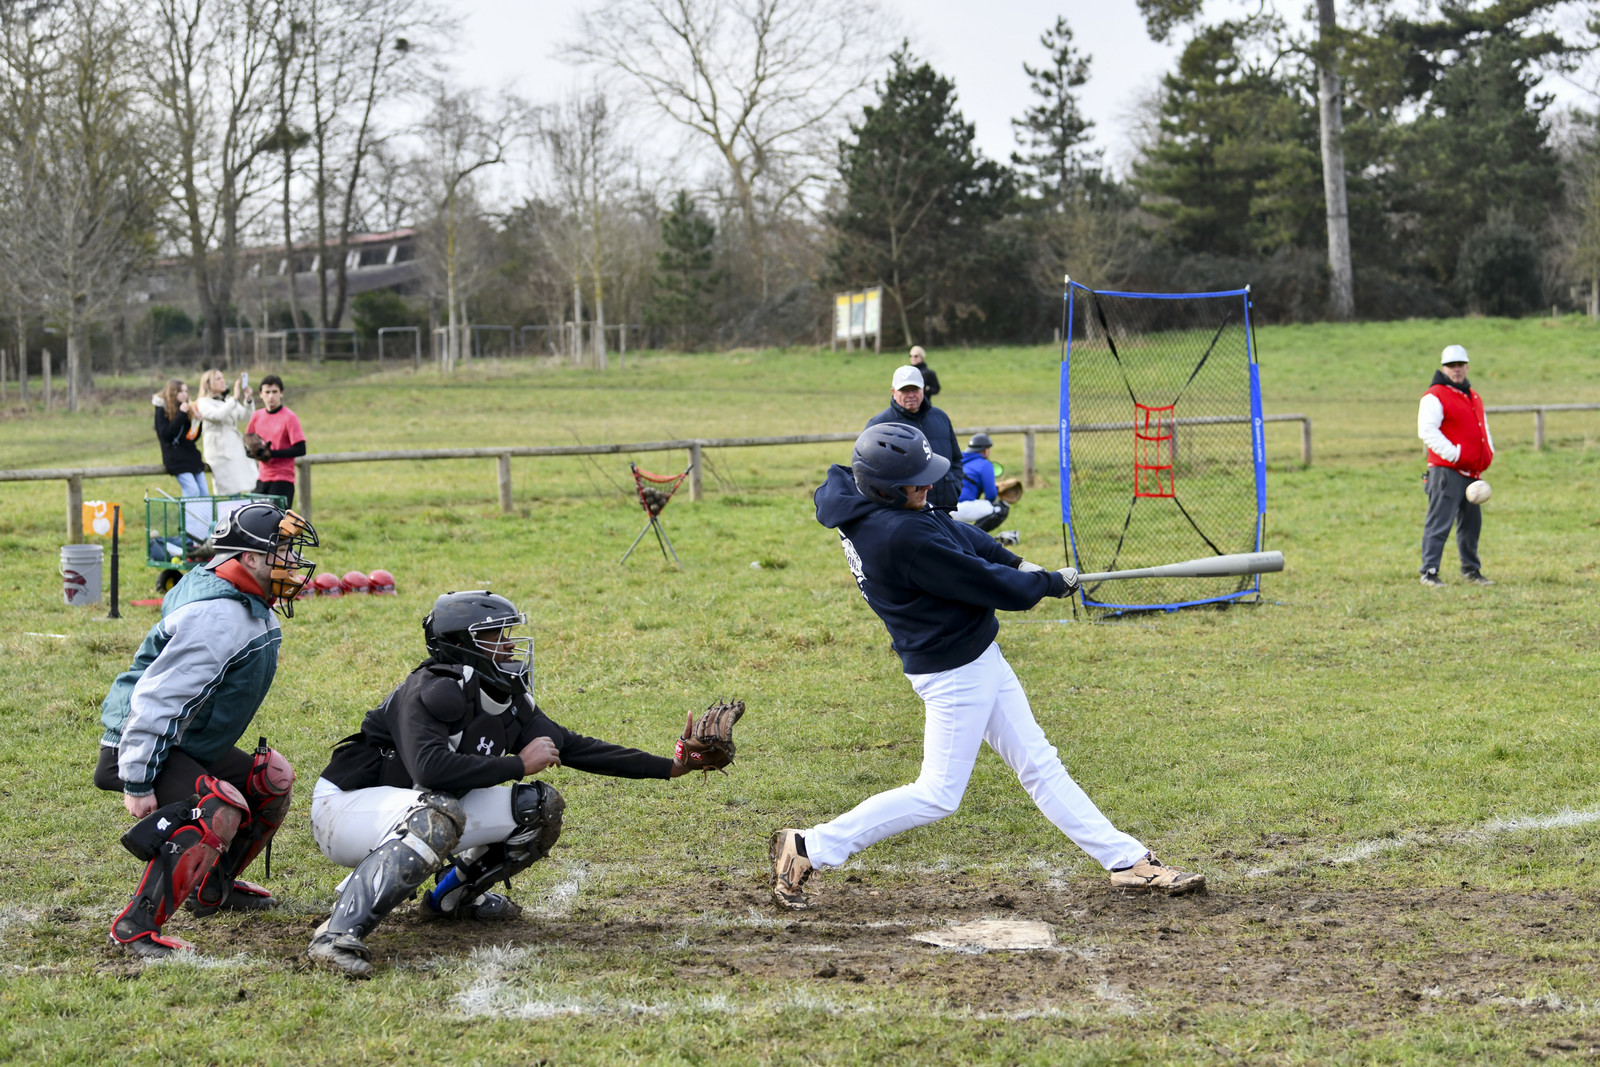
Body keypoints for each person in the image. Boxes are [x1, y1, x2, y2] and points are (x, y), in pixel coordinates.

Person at [769, 423, 1204, 910]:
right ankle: (809, 846)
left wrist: (1016, 562)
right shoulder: (897, 536)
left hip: (974, 654)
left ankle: (1126, 861)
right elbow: (985, 583)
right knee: (938, 794)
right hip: (953, 670)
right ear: (887, 489)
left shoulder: (868, 497)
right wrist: (1042, 584)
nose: (927, 486)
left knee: (1040, 763)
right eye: (916, 481)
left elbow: (954, 530)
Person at [306, 590, 704, 978]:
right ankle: (336, 934)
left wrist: (672, 766)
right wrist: (516, 764)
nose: (510, 645)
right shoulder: (429, 689)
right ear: (461, 643)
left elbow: (576, 748)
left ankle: (451, 899)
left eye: (508, 634)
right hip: (344, 809)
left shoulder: (505, 698)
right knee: (439, 813)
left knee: (538, 806)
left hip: (418, 809)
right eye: (495, 636)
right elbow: (431, 770)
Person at [95, 501, 319, 958]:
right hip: (142, 743)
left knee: (270, 780)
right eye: (282, 551)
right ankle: (135, 927)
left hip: (182, 740)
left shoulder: (244, 595)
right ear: (250, 559)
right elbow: (157, 701)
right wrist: (136, 777)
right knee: (221, 807)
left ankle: (212, 888)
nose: (293, 562)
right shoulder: (216, 616)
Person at [1418, 344, 1495, 587]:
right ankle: (1429, 572)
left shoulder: (1472, 395)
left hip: (1472, 472)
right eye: (1452, 365)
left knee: (1471, 526)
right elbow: (1427, 431)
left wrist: (1488, 453)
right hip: (1446, 471)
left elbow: (1482, 428)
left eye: (1460, 364)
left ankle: (1471, 571)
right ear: (1444, 368)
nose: (1457, 369)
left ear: (1467, 366)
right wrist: (1454, 454)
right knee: (1439, 522)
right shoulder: (1435, 395)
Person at [865, 365, 964, 510]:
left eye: (915, 389)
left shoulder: (940, 417)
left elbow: (956, 459)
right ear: (893, 392)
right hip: (905, 512)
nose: (911, 394)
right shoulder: (880, 425)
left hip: (944, 509)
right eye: (905, 390)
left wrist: (954, 487)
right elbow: (869, 473)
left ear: (923, 389)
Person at [245, 375, 306, 510]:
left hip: (283, 478)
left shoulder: (289, 417)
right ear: (261, 394)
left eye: (274, 392)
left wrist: (272, 453)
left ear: (281, 393)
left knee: (277, 523)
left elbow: (301, 449)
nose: (271, 396)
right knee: (254, 517)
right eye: (267, 392)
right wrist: (256, 453)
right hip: (262, 477)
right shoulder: (257, 416)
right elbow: (248, 445)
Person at [195, 368, 257, 496]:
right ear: (207, 384)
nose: (223, 381)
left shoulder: (227, 400)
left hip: (235, 447)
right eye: (218, 379)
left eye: (223, 378)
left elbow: (246, 416)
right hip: (219, 449)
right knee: (229, 488)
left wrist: (248, 399)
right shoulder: (203, 402)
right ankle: (230, 514)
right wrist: (234, 399)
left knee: (246, 484)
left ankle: (243, 513)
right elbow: (217, 415)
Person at [153, 378, 207, 498]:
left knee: (204, 493)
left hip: (191, 457)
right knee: (193, 491)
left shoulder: (188, 408)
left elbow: (191, 437)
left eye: (186, 391)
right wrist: (181, 414)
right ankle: (189, 517)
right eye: (180, 392)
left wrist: (198, 422)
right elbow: (166, 435)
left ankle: (205, 517)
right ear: (172, 393)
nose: (185, 395)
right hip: (176, 459)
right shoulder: (162, 410)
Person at [954, 432, 1010, 532]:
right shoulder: (985, 464)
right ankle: (974, 538)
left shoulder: (957, 459)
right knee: (1001, 508)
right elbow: (991, 496)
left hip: (943, 509)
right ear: (985, 450)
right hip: (963, 509)